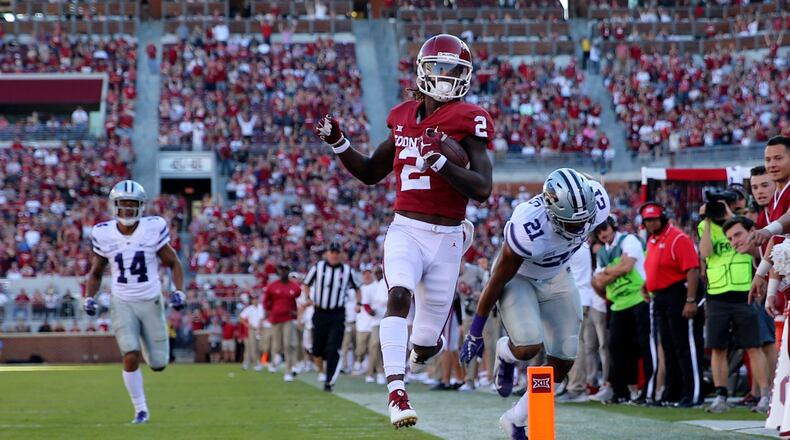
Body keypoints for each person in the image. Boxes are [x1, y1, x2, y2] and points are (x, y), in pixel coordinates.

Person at [314, 34, 493, 428]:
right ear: (423, 71)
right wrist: (339, 143)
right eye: (440, 68)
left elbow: (483, 188)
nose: (446, 77)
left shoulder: (468, 118)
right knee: (397, 295)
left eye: (454, 71)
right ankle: (396, 392)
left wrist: (442, 164)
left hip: (447, 237)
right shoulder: (401, 116)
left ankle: (417, 355)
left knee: (428, 342)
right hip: (406, 229)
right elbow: (370, 172)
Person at [461, 168, 610, 438]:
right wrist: (475, 331)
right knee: (529, 345)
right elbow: (497, 279)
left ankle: (516, 418)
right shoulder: (528, 226)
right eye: (571, 223)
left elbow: (584, 183)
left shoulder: (596, 200)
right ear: (552, 212)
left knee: (564, 358)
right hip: (520, 278)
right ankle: (506, 352)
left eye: (583, 222)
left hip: (558, 274)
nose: (578, 228)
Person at [84, 180, 185, 424]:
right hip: (122, 302)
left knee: (159, 364)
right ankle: (141, 410)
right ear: (114, 206)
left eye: (132, 205)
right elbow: (96, 272)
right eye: (123, 204)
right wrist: (89, 296)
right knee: (129, 354)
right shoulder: (103, 233)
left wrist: (179, 291)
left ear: (141, 207)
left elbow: (173, 263)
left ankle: (144, 336)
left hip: (150, 300)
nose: (127, 210)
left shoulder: (152, 228)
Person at [640, 201, 704, 407]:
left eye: (654, 219)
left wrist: (691, 300)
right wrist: (646, 284)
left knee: (685, 346)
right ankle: (673, 391)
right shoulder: (653, 239)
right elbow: (656, 267)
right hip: (660, 297)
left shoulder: (678, 238)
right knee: (668, 346)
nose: (650, 223)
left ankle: (693, 393)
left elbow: (692, 269)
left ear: (663, 218)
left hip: (678, 294)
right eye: (647, 220)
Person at [707, 216, 770, 413]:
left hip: (745, 297)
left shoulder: (765, 245)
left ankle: (766, 397)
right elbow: (704, 253)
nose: (734, 242)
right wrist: (708, 221)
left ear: (752, 230)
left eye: (738, 235)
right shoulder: (705, 226)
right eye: (730, 238)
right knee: (718, 348)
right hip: (718, 296)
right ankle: (720, 396)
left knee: (755, 346)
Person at [592, 215, 653, 404]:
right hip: (618, 304)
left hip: (639, 299)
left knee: (643, 347)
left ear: (613, 227)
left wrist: (607, 271)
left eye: (605, 228)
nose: (602, 233)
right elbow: (597, 281)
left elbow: (627, 267)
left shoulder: (629, 240)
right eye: (599, 231)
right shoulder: (602, 252)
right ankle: (620, 392)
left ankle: (647, 390)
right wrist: (616, 268)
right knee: (617, 349)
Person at [303, 242, 360, 392]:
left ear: (340, 254)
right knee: (316, 349)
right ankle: (322, 371)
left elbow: (357, 287)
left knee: (333, 347)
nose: (334, 255)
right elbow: (306, 284)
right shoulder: (318, 267)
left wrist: (359, 303)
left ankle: (329, 380)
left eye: (337, 252)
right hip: (320, 312)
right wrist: (308, 297)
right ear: (327, 254)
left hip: (337, 314)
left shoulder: (347, 271)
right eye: (332, 252)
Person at [263, 263, 301, 382]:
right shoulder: (272, 286)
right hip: (275, 319)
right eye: (281, 270)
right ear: (278, 272)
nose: (283, 272)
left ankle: (288, 371)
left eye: (285, 270)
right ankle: (275, 361)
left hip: (288, 319)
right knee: (276, 345)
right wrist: (270, 312)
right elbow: (265, 302)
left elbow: (298, 293)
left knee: (288, 344)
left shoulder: (293, 286)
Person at [239, 295, 264, 371]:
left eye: (256, 299)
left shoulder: (261, 307)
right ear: (252, 301)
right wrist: (247, 325)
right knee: (253, 347)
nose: (255, 301)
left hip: (262, 329)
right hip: (252, 330)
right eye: (253, 299)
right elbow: (241, 317)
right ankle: (256, 363)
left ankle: (261, 362)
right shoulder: (249, 309)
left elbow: (262, 318)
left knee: (262, 347)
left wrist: (259, 327)